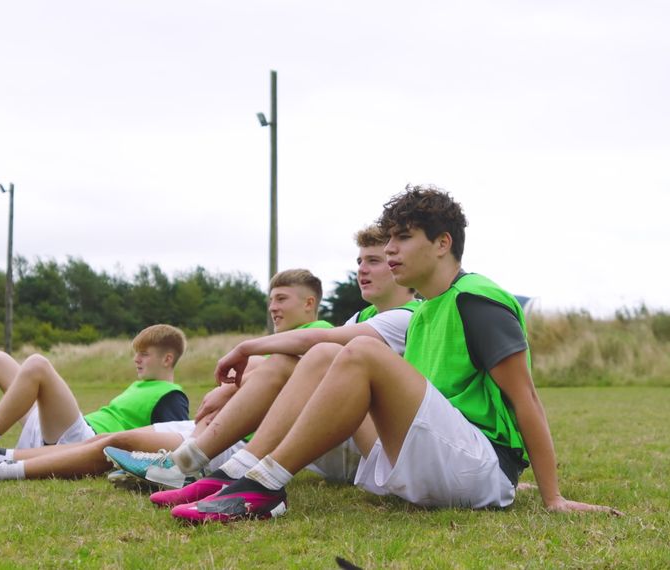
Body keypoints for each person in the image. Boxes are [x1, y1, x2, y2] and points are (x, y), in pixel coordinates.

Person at [171, 185, 621, 523]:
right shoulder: (423, 308)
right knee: (327, 353)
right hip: (429, 455)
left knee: (360, 349)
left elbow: (527, 399)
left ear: (442, 243)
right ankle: (241, 473)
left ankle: (263, 487)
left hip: (479, 465)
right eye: (388, 240)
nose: (389, 251)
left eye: (402, 238)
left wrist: (552, 498)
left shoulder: (478, 300)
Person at [106, 226, 419, 506]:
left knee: (307, 357)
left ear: (398, 266)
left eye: (374, 261)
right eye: (359, 262)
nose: (362, 270)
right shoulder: (361, 318)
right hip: (341, 441)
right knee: (290, 362)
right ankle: (199, 464)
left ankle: (207, 465)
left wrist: (245, 349)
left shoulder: (409, 316)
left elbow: (316, 342)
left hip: (376, 449)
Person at [0, 269, 332, 484]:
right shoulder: (280, 349)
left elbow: (286, 378)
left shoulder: (321, 338)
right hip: (209, 431)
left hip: (233, 443)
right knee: (111, 439)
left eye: (281, 299)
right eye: (271, 299)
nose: (272, 307)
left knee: (117, 441)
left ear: (309, 303)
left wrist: (235, 382)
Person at [0, 324, 189, 470]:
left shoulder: (171, 396)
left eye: (144, 354)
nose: (136, 359)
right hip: (60, 436)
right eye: (135, 353)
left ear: (167, 359)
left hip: (83, 445)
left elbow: (170, 449)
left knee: (37, 364)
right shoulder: (141, 386)